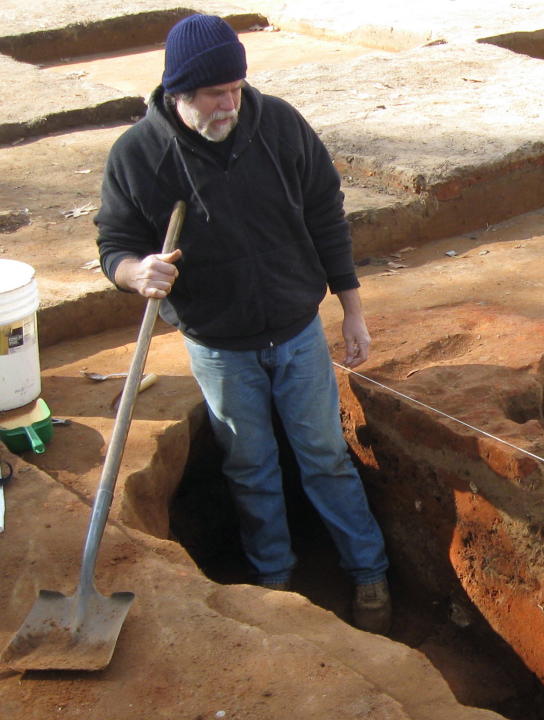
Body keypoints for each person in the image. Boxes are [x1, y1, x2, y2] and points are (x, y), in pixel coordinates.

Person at [95, 14, 391, 633]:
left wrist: (352, 307)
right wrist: (134, 272)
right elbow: (115, 245)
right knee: (250, 466)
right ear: (178, 93)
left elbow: (326, 215)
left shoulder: (278, 123)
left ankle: (368, 572)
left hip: (297, 331)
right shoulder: (140, 156)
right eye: (214, 93)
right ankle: (273, 581)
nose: (231, 102)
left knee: (325, 456)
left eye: (236, 87)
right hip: (218, 346)